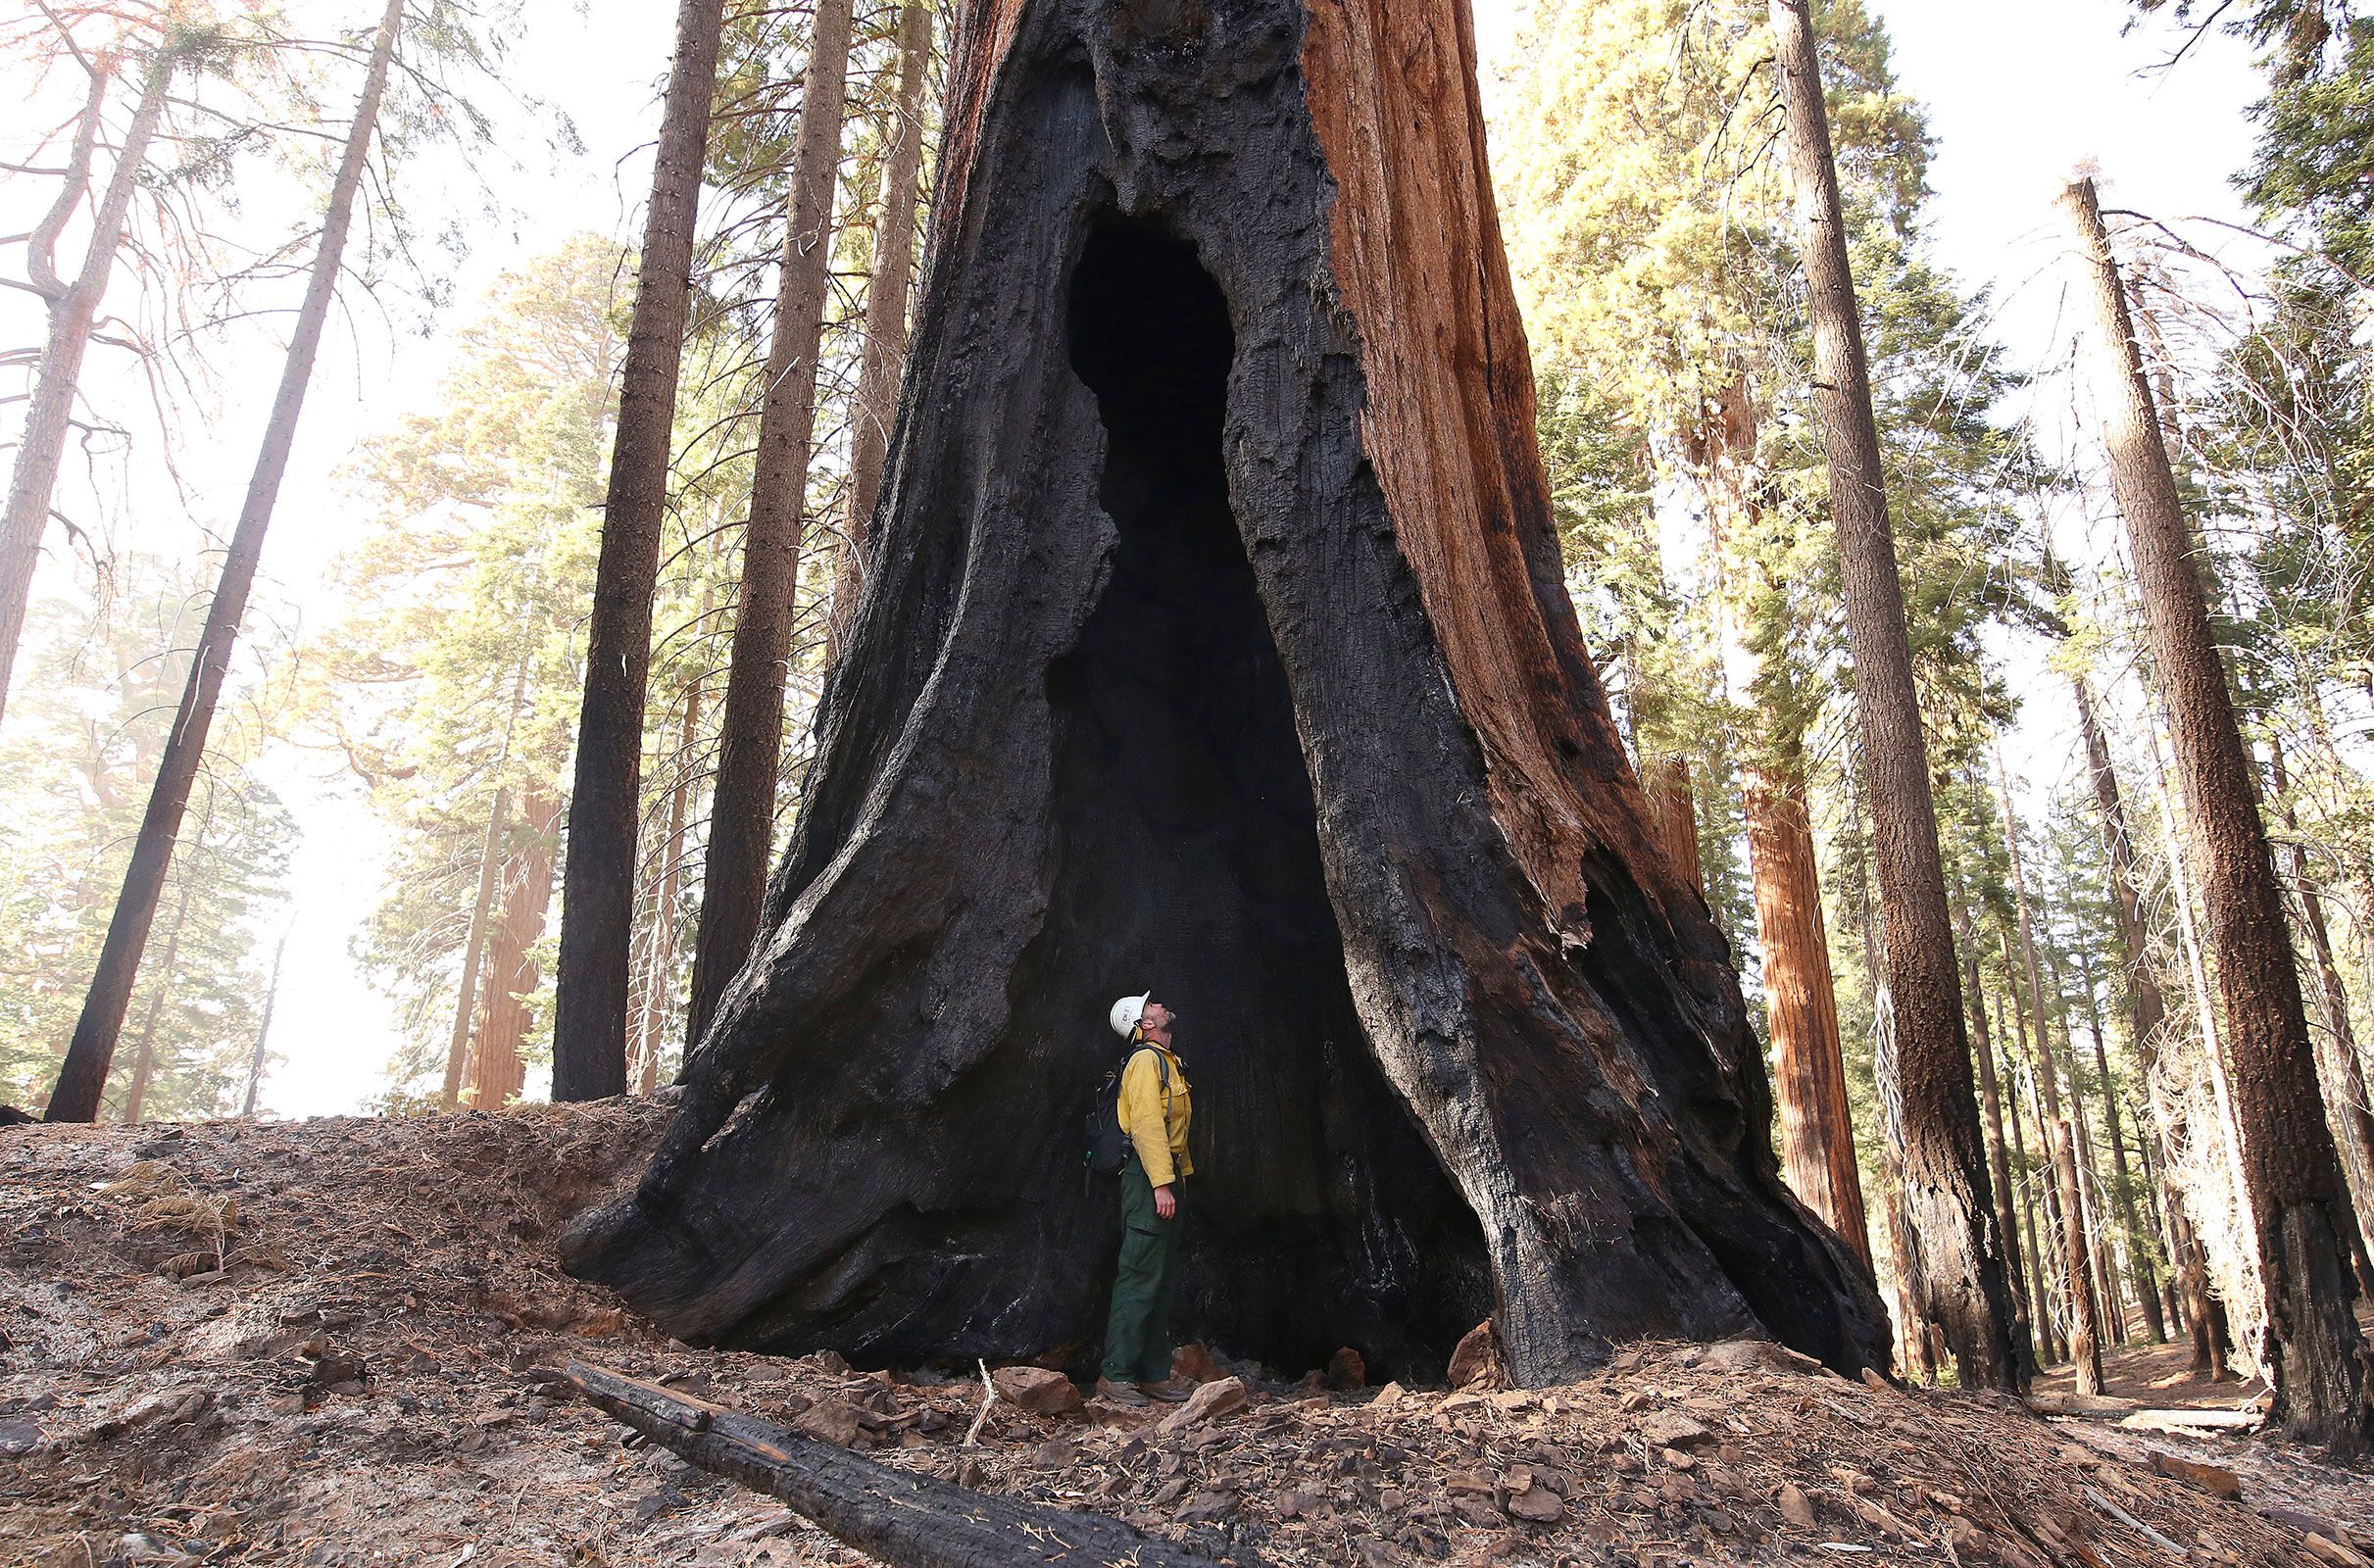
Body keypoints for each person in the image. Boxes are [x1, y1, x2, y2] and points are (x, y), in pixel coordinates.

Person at [1097, 991, 1197, 1406]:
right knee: (1139, 1274)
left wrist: (1179, 1178)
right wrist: (1160, 1184)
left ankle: (1154, 1374)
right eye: (1151, 1007)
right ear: (1145, 1024)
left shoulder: (1166, 1061)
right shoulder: (1143, 1062)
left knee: (1161, 1279)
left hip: (1167, 1176)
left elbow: (1174, 1128)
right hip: (1147, 1178)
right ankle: (1115, 1375)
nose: (1159, 1006)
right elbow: (1147, 1126)